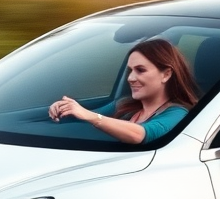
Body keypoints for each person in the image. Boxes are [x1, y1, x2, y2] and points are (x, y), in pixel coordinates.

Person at [48, 38, 199, 144]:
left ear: (166, 74)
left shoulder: (178, 113)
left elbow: (141, 134)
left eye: (140, 70)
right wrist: (64, 109)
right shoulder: (124, 105)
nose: (131, 78)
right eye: (130, 71)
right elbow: (84, 116)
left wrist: (93, 117)